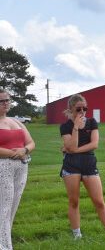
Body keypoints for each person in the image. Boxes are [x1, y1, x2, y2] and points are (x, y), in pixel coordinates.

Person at [59, 94, 105, 239]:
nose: (82, 111)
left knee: (99, 201)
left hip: (89, 163)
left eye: (85, 108)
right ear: (71, 109)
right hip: (71, 165)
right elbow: (70, 145)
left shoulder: (92, 122)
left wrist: (74, 150)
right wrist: (76, 127)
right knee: (74, 201)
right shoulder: (65, 126)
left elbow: (94, 144)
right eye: (78, 109)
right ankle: (77, 235)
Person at [0, 89, 35, 250]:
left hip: (21, 167)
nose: (5, 103)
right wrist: (15, 153)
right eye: (1, 101)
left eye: (7, 100)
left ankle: (5, 242)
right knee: (3, 208)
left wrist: (25, 151)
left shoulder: (16, 121)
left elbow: (31, 142)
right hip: (3, 166)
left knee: (13, 207)